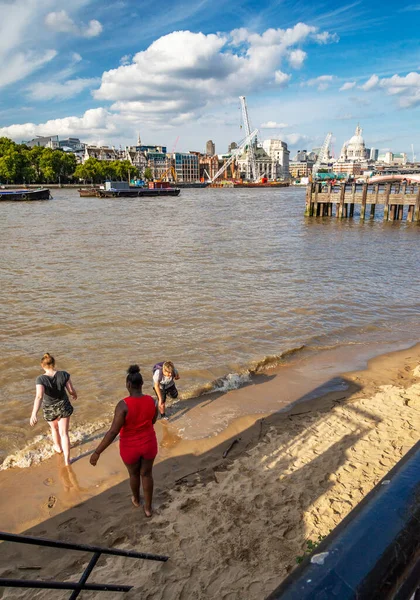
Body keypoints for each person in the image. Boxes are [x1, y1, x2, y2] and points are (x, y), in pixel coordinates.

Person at [90, 365, 158, 517]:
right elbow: (152, 421)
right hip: (149, 443)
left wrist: (97, 452)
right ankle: (148, 508)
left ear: (128, 385)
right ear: (141, 384)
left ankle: (135, 499)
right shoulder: (152, 402)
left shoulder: (123, 405)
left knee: (134, 475)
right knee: (147, 474)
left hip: (130, 447)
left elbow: (113, 432)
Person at [30, 353, 77, 466]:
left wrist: (34, 414)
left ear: (42, 366)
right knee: (64, 433)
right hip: (63, 406)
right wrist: (74, 394)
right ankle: (67, 460)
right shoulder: (64, 374)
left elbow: (39, 396)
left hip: (49, 408)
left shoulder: (40, 379)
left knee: (54, 429)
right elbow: (70, 389)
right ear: (54, 364)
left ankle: (58, 448)